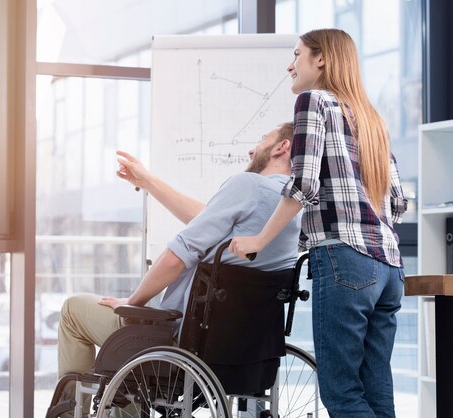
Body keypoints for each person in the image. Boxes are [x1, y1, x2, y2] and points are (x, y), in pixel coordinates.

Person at [228, 29, 407, 418]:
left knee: (342, 394)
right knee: (377, 392)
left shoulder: (314, 101)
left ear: (321, 59)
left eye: (297, 55)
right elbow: (397, 203)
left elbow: (304, 184)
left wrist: (258, 239)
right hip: (390, 270)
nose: (290, 65)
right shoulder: (373, 119)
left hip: (345, 261)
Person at [57, 122, 301, 387]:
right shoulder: (293, 207)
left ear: (282, 147)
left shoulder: (248, 184)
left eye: (263, 140)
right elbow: (205, 217)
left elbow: (176, 257)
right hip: (243, 350)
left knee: (73, 309)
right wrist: (148, 181)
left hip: (181, 340)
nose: (252, 150)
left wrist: (133, 302)